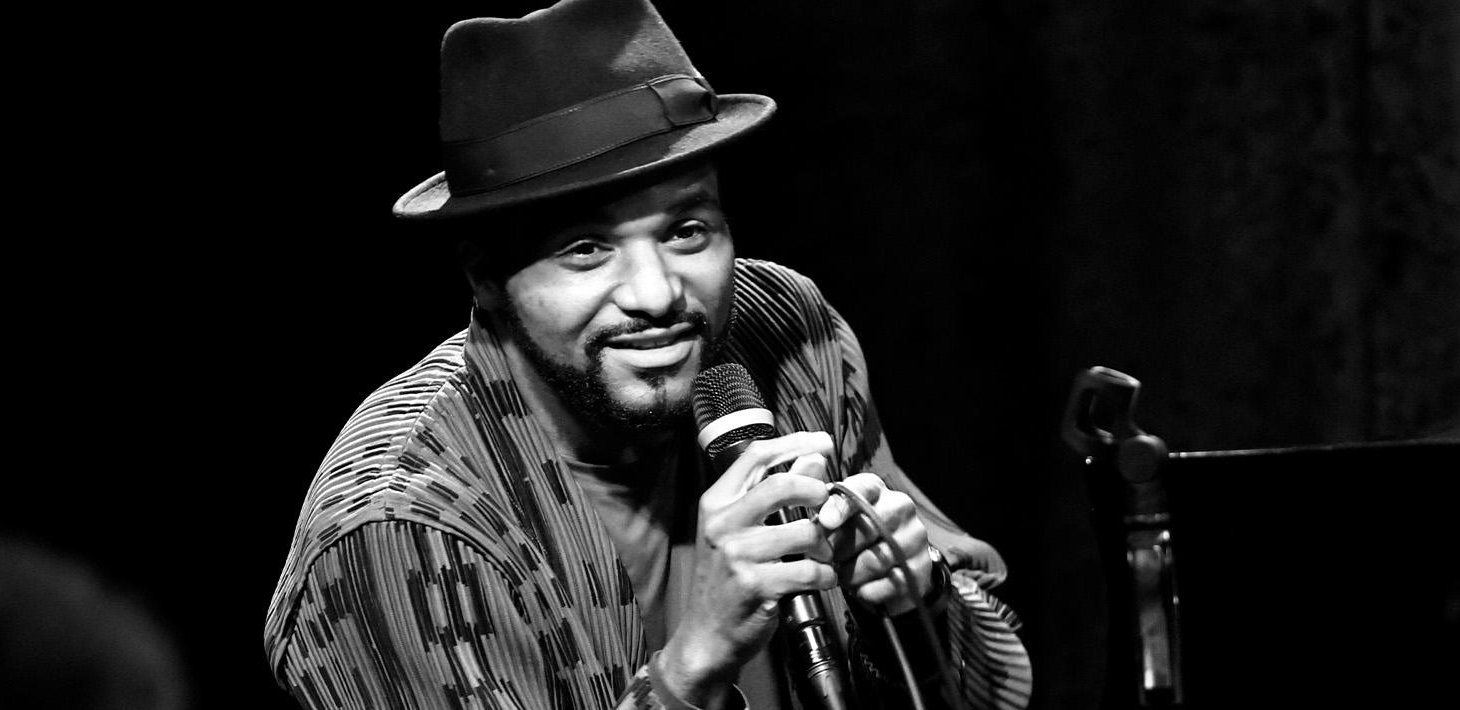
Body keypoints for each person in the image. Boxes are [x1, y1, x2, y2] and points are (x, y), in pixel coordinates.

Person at [262, 1, 1032, 708]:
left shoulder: (785, 334)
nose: (658, 293)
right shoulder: (404, 527)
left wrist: (916, 604)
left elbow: (998, 687)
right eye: (586, 249)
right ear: (485, 278)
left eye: (686, 232)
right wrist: (690, 669)